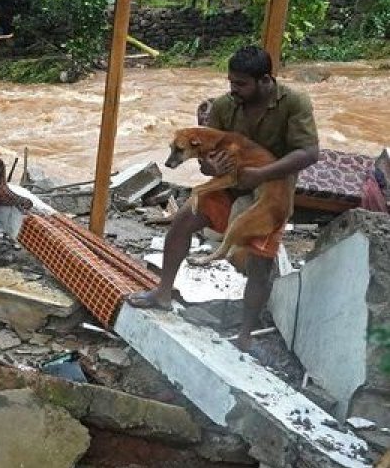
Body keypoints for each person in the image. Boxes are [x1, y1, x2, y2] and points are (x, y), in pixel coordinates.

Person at [126, 45, 320, 352]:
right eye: (231, 82)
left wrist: (262, 173)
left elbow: (309, 153)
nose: (234, 90)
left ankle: (245, 333)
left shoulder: (293, 102)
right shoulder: (224, 106)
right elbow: (205, 155)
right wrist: (209, 167)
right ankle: (162, 293)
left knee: (259, 263)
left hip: (270, 191)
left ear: (265, 80)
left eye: (241, 84)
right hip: (228, 186)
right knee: (182, 222)